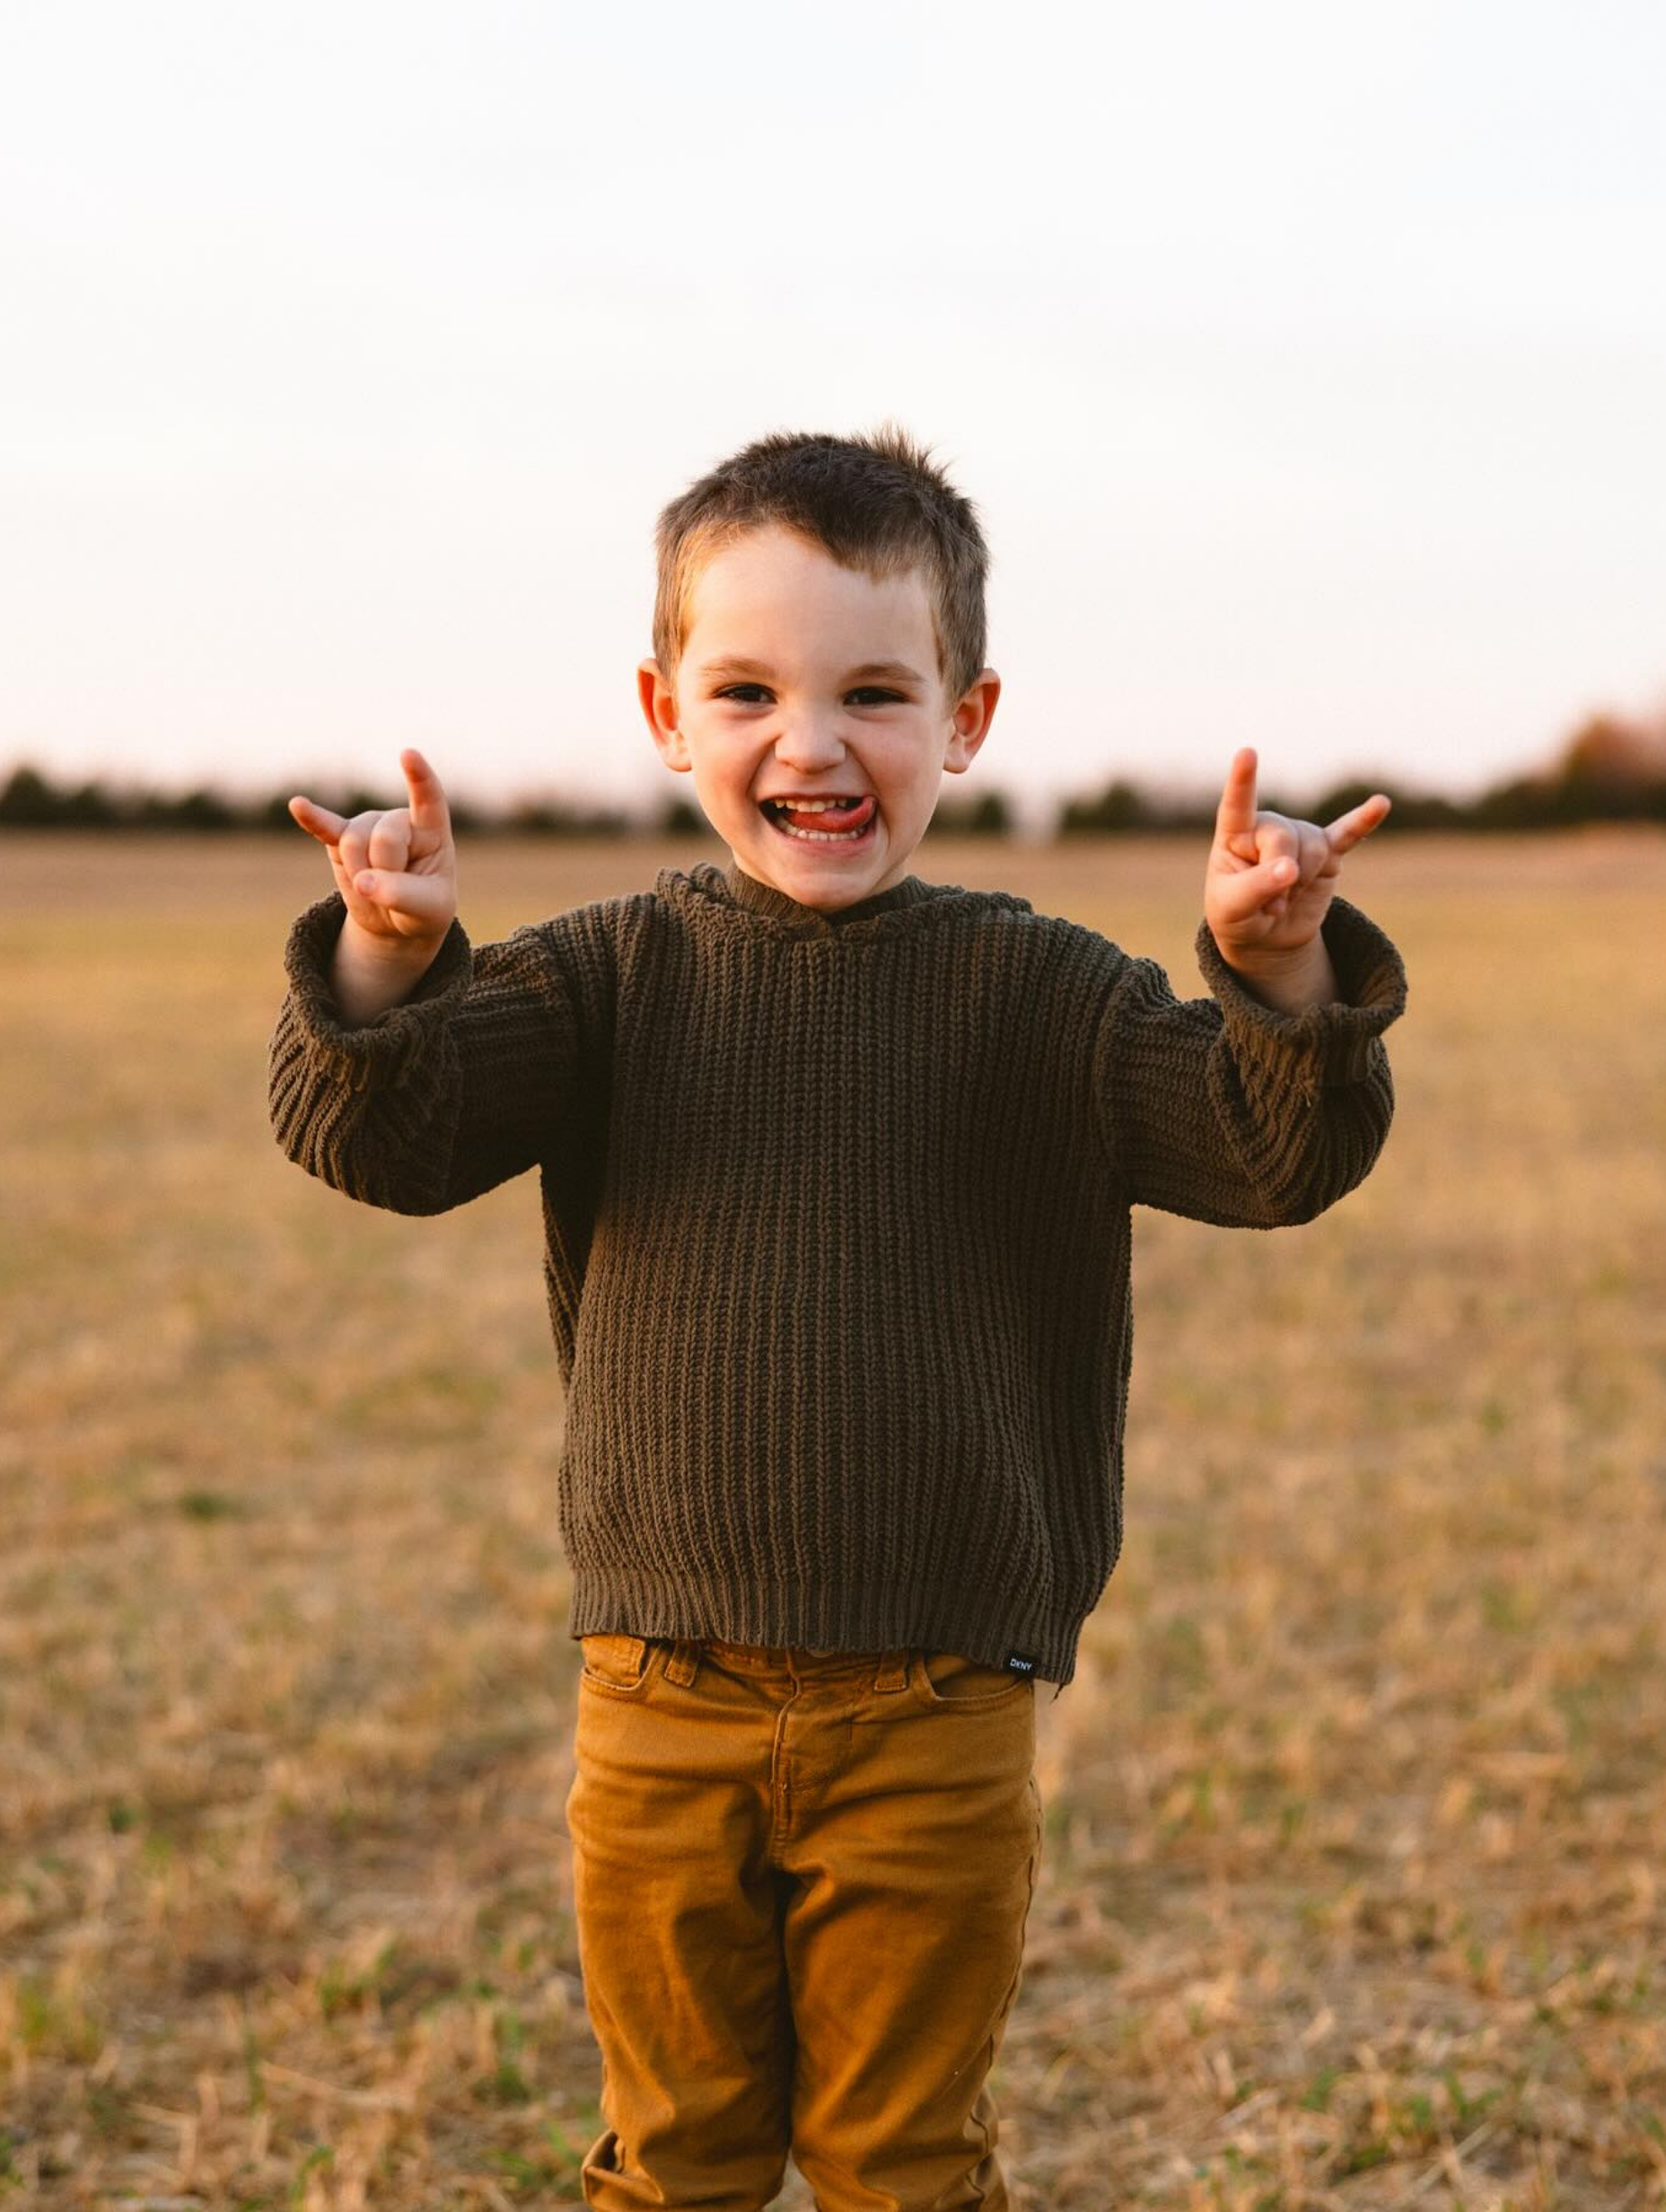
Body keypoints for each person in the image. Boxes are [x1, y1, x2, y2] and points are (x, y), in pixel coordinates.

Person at [268, 425, 1408, 2209]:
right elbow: (379, 1135)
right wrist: (386, 962)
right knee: (678, 2155)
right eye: (747, 689)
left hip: (937, 1698)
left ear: (966, 714)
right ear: (663, 711)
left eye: (874, 689)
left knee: (902, 2159)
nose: (810, 740)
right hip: (659, 1694)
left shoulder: (1041, 993)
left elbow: (1276, 1150)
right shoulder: (604, 977)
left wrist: (1275, 976)